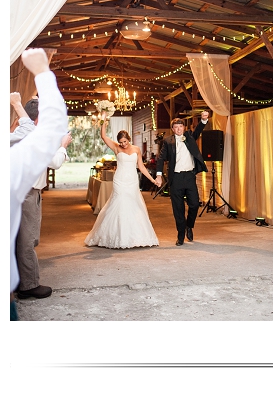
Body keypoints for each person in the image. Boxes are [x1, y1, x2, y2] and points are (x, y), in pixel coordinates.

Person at [10, 49, 68, 320]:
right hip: (28, 193)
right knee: (27, 240)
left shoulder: (23, 129)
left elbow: (25, 121)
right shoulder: (35, 134)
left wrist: (17, 104)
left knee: (22, 237)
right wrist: (63, 145)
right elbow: (55, 161)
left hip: (20, 192)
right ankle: (29, 285)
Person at [84, 118, 159, 249]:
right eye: (121, 142)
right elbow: (103, 136)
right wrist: (103, 121)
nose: (123, 144)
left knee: (134, 205)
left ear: (128, 139)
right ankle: (116, 235)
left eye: (125, 141)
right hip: (120, 180)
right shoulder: (116, 147)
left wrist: (152, 180)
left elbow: (141, 167)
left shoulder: (136, 149)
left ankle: (135, 236)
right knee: (120, 203)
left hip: (132, 180)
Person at [154, 112, 209, 245]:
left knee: (195, 204)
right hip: (176, 178)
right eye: (176, 127)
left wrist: (203, 120)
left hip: (189, 176)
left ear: (184, 128)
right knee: (178, 208)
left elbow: (198, 129)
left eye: (181, 126)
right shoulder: (167, 141)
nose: (179, 129)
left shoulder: (190, 137)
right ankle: (180, 234)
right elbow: (161, 159)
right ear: (172, 129)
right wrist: (159, 175)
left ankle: (189, 226)